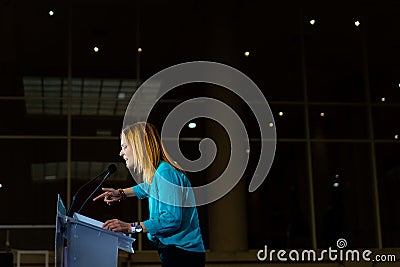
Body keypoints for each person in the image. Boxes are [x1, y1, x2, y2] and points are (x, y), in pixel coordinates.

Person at [93, 122, 205, 267]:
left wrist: (129, 227)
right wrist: (121, 193)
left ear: (139, 146)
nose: (121, 153)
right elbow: (148, 187)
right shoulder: (160, 173)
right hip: (178, 253)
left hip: (183, 255)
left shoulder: (165, 172)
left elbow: (170, 220)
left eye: (124, 147)